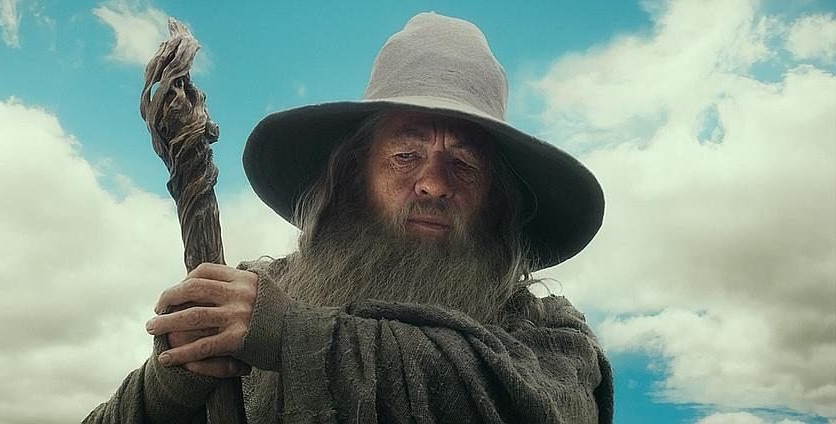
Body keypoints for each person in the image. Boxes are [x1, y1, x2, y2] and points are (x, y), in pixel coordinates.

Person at [85, 12, 613, 424]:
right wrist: (170, 386)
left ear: (496, 198)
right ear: (355, 174)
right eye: (406, 156)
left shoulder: (545, 332)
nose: (433, 183)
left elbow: (537, 408)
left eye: (464, 165)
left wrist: (291, 335)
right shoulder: (256, 297)